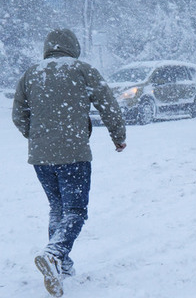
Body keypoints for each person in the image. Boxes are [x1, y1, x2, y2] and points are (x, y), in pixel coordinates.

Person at [12, 28, 126, 297]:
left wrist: (38, 136)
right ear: (73, 47)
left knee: (57, 207)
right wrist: (118, 136)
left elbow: (18, 115)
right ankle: (54, 254)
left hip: (41, 157)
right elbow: (108, 104)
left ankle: (62, 265)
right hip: (73, 154)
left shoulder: (31, 74)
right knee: (75, 210)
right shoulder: (81, 70)